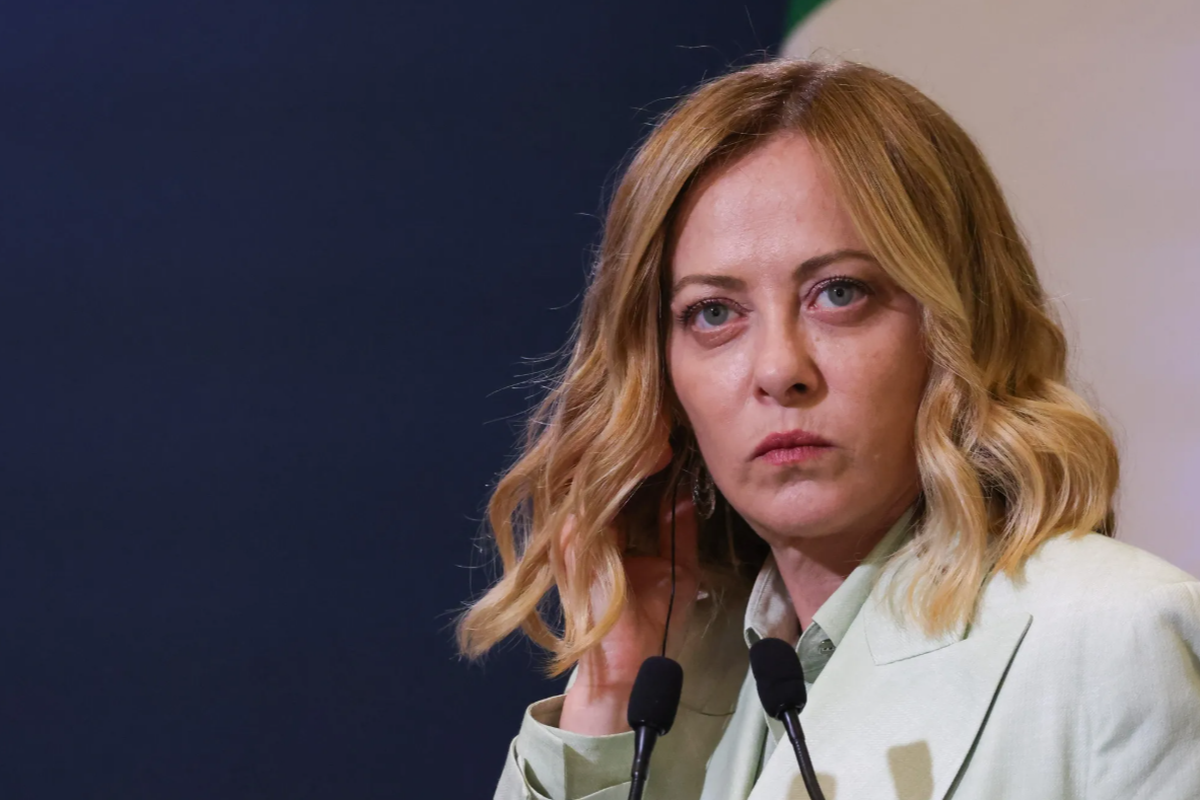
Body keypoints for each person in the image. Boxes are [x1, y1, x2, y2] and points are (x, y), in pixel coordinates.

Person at [457, 59, 1200, 799]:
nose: (780, 369)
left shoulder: (1116, 634)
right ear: (658, 375)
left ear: (958, 327)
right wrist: (609, 690)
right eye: (714, 312)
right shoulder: (667, 691)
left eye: (839, 293)